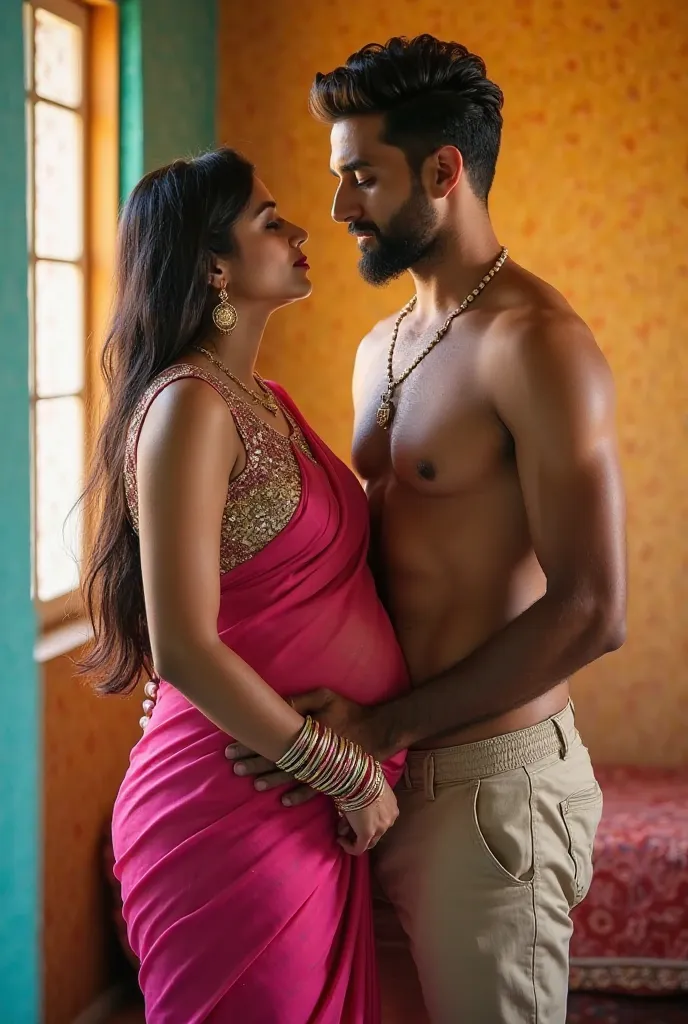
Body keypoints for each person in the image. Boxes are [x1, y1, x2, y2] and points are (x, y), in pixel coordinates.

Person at [226, 35, 627, 1024]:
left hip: (488, 792)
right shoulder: (381, 345)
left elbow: (591, 609)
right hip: (378, 778)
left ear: (444, 171)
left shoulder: (538, 346)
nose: (336, 208)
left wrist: (384, 725)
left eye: (361, 176)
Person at [79, 147, 409, 1024]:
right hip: (230, 810)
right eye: (270, 219)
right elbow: (184, 644)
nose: (302, 228)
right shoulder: (189, 404)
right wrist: (346, 771)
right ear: (213, 264)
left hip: (297, 807)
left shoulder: (267, 398)